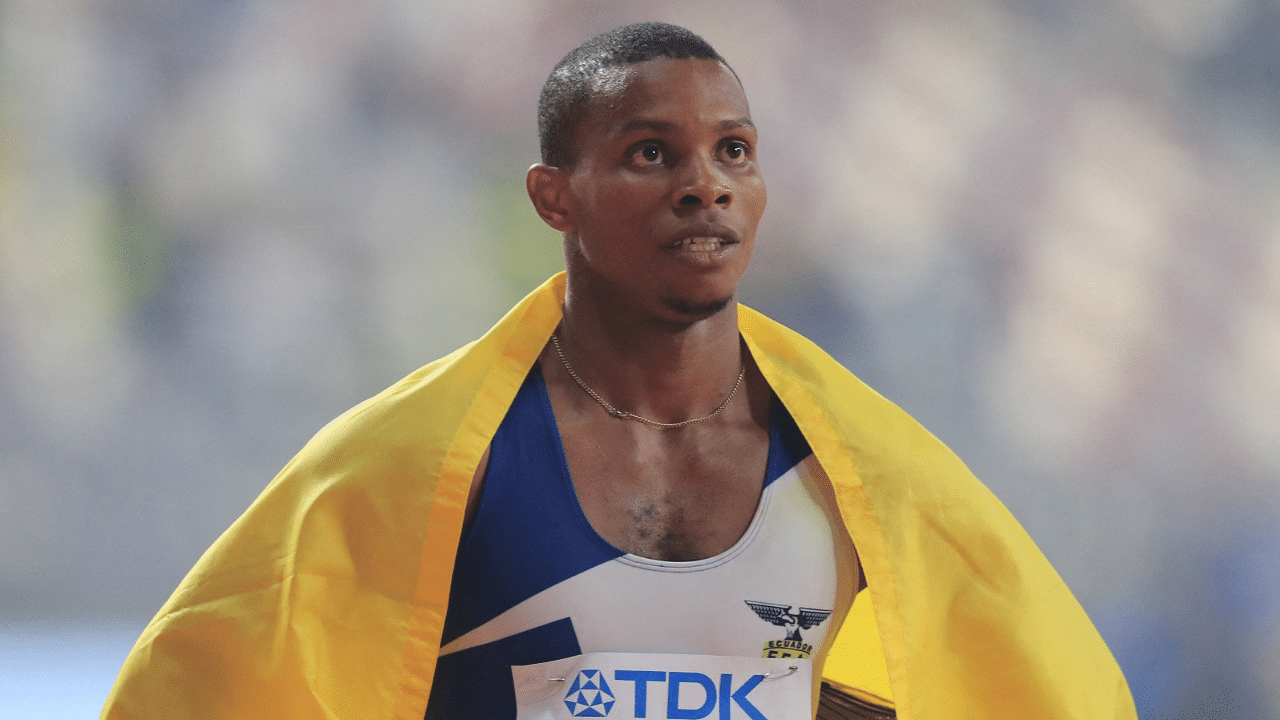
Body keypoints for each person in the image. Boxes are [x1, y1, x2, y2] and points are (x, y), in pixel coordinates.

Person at [101, 22, 1137, 720]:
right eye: (651, 153)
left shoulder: (873, 478)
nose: (704, 187)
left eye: (733, 152)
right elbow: (198, 681)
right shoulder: (401, 472)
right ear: (553, 197)